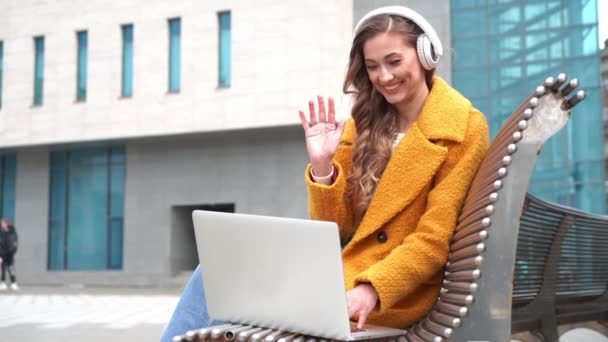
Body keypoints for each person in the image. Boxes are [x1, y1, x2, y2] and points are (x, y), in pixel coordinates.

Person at [161, 6, 489, 341]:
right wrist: (322, 167)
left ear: (425, 55)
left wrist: (372, 288)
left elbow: (433, 240)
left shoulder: (462, 128)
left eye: (394, 61)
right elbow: (337, 229)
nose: (384, 77)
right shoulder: (363, 124)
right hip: (341, 279)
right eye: (373, 66)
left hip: (393, 293)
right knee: (216, 272)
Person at [0, 218, 19, 290]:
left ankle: (13, 283)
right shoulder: (1, 232)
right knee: (2, 269)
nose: (2, 225)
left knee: (10, 269)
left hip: (10, 254)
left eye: (3, 223)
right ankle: (3, 283)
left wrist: (13, 251)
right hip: (1, 254)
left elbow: (15, 243)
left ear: (7, 224)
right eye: (2, 224)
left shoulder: (12, 232)